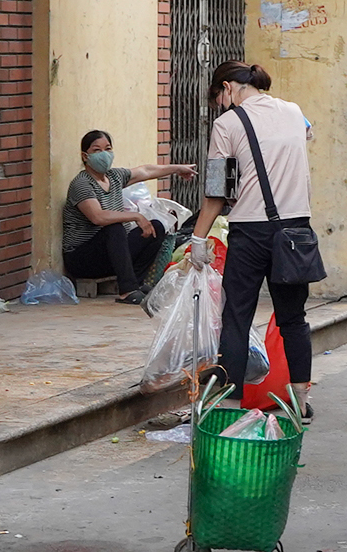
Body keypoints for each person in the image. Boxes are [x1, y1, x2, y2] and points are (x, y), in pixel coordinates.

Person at [188, 61, 317, 421]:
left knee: (237, 319)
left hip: (249, 232)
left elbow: (217, 191)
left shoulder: (227, 124)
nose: (220, 105)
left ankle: (231, 405)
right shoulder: (293, 111)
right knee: (294, 319)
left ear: (228, 88)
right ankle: (301, 403)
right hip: (296, 231)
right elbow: (307, 134)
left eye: (219, 97)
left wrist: (198, 238)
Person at [61, 130, 195, 305]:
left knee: (156, 227)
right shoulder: (81, 184)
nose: (104, 155)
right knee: (114, 227)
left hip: (111, 254)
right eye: (96, 150)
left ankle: (137, 283)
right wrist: (136, 216)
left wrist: (177, 169)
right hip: (82, 259)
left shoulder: (115, 177)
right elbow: (98, 217)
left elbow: (146, 170)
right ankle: (127, 290)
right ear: (85, 156)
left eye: (107, 149)